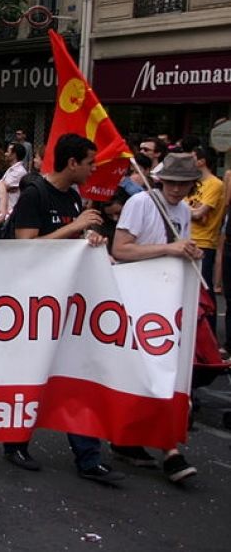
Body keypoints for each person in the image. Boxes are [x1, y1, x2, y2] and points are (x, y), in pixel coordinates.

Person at [3, 133, 124, 484]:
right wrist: (76, 226)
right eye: (89, 163)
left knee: (76, 373)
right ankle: (15, 442)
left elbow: (71, 242)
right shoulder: (35, 195)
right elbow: (25, 247)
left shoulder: (72, 196)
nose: (93, 169)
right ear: (72, 163)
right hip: (34, 303)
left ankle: (88, 457)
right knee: (32, 375)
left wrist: (89, 239)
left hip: (69, 299)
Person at [109, 152, 201, 482]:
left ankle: (132, 440)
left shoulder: (184, 211)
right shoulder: (141, 203)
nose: (176, 189)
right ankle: (169, 450)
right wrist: (169, 250)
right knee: (154, 371)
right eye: (171, 183)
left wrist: (189, 252)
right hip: (137, 298)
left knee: (157, 371)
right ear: (161, 180)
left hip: (164, 301)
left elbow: (176, 248)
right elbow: (120, 249)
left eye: (183, 184)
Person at [186, 146, 224, 334]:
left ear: (202, 161)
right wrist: (192, 211)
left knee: (204, 290)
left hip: (204, 242)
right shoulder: (192, 183)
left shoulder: (215, 184)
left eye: (192, 157)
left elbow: (199, 213)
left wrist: (188, 211)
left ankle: (210, 336)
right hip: (185, 239)